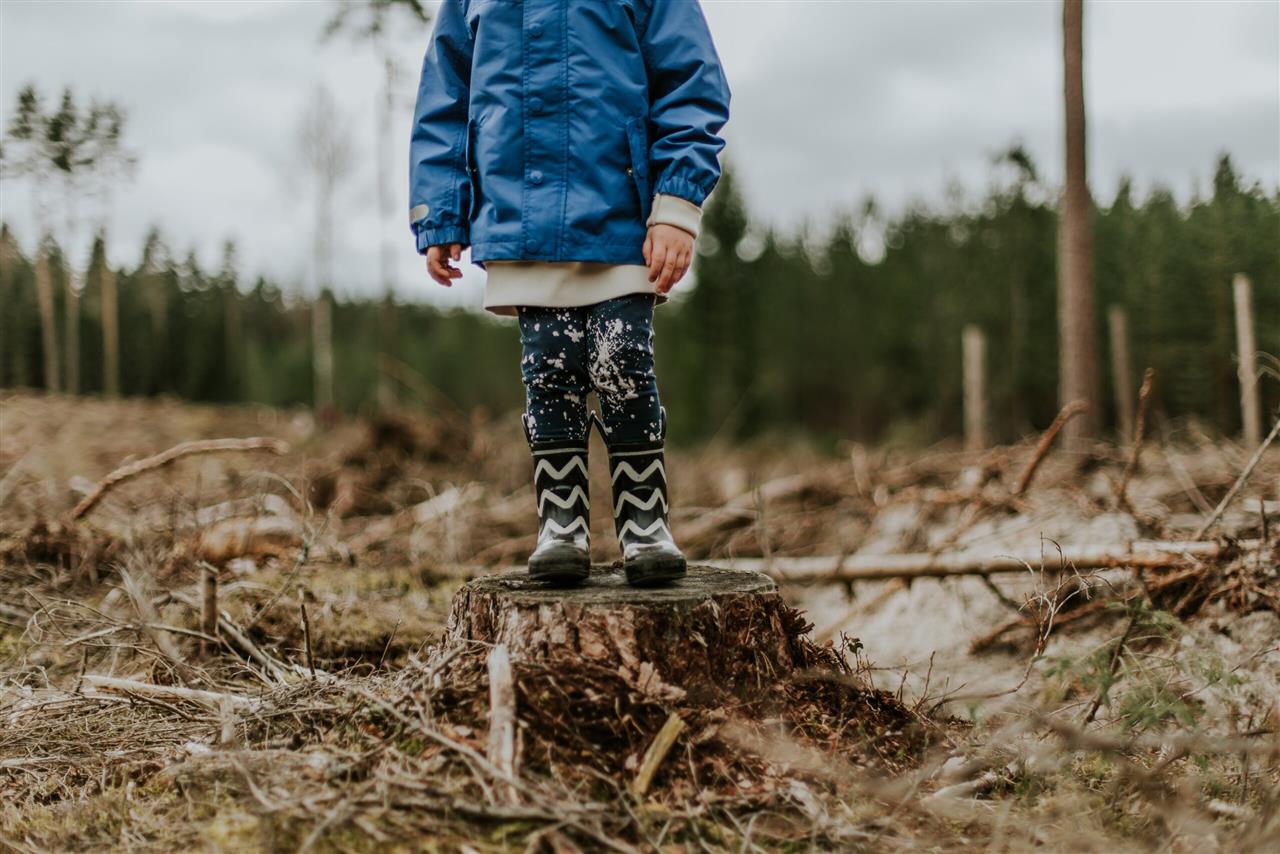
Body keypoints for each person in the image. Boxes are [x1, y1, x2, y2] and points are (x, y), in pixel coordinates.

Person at [409, 0, 730, 586]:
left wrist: (677, 204)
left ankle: (644, 521)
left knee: (622, 359)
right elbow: (445, 97)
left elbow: (691, 78)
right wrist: (440, 211)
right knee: (550, 368)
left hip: (623, 213)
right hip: (520, 216)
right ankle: (561, 522)